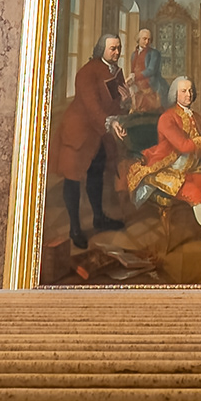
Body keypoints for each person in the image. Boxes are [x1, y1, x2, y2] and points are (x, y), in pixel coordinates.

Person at [131, 76, 201, 260]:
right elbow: (184, 146)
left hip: (192, 169)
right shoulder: (167, 118)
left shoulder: (196, 117)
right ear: (175, 94)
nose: (188, 94)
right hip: (169, 171)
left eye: (190, 90)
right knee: (196, 195)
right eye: (183, 91)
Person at [45, 33, 133, 244]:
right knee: (73, 177)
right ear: (101, 49)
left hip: (99, 133)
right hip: (79, 131)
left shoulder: (118, 73)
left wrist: (127, 102)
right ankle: (75, 229)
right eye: (112, 48)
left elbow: (116, 104)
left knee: (96, 174)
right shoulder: (87, 72)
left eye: (119, 48)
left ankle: (98, 218)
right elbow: (92, 105)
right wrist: (111, 122)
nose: (117, 52)